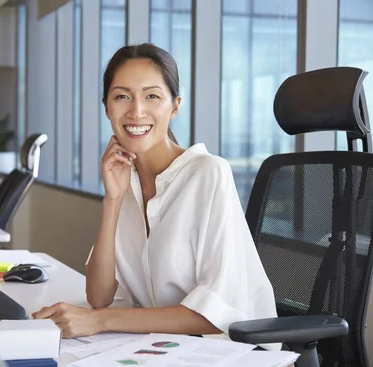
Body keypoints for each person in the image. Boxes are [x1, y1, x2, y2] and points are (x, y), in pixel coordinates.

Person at [33, 43, 277, 346]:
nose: (136, 111)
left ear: (174, 106)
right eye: (122, 96)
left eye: (152, 96)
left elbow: (214, 317)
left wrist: (100, 321)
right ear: (107, 107)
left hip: (231, 352)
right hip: (167, 349)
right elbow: (99, 296)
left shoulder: (208, 173)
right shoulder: (125, 178)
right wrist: (112, 200)